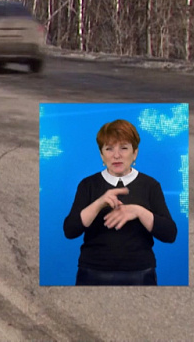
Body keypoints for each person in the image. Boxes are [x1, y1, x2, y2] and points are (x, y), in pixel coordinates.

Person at [63, 119, 177, 285]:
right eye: (109, 149)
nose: (116, 155)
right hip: (93, 273)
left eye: (124, 148)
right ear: (102, 155)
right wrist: (98, 204)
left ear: (135, 153)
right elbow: (70, 231)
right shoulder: (88, 185)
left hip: (140, 274)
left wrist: (139, 211)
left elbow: (170, 234)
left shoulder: (150, 185)